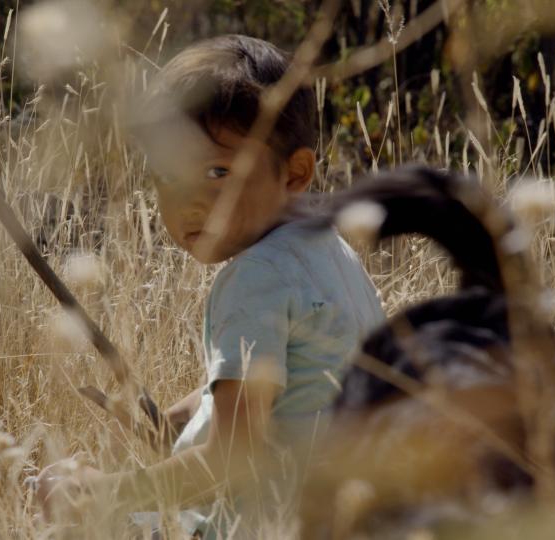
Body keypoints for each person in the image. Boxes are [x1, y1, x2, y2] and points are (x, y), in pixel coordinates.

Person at [36, 34, 385, 538]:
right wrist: (174, 420)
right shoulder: (327, 249)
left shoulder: (255, 279)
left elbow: (232, 459)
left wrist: (106, 491)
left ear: (295, 172)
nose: (189, 202)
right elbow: (284, 372)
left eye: (218, 171)